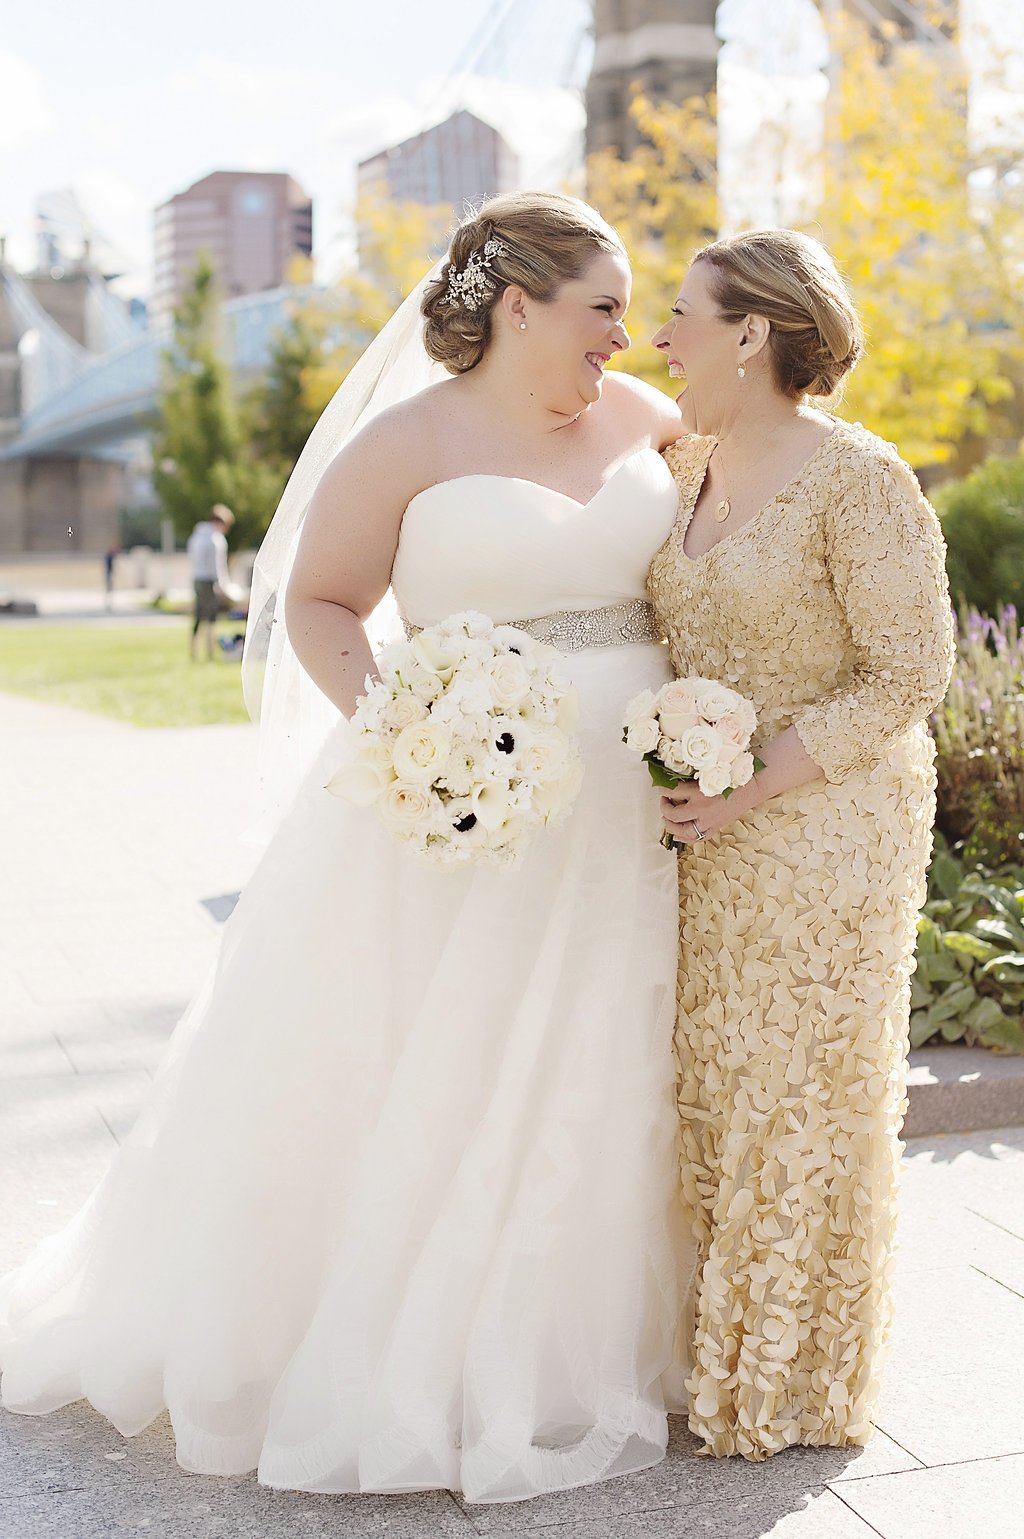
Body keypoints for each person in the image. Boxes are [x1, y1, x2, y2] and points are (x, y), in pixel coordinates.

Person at [0, 193, 694, 1503]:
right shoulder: (407, 439)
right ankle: (409, 1339)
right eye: (604, 302)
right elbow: (324, 600)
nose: (626, 329)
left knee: (606, 1053)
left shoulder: (655, 424)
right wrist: (407, 729)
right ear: (519, 305)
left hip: (632, 814)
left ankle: (589, 1332)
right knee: (445, 1054)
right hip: (465, 817)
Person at [646, 229, 955, 1460]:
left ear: (751, 334)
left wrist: (753, 784)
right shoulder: (682, 465)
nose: (660, 337)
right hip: (704, 830)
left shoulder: (860, 479)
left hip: (830, 828)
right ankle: (703, 1349)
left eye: (680, 314)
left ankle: (785, 1379)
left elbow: (913, 671)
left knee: (802, 1093)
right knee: (715, 1083)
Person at [187, 503, 235, 660]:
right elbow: (218, 566)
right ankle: (210, 650)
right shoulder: (216, 539)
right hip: (209, 581)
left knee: (199, 615)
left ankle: (193, 649)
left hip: (196, 579)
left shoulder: (196, 536)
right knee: (211, 616)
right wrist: (224, 587)